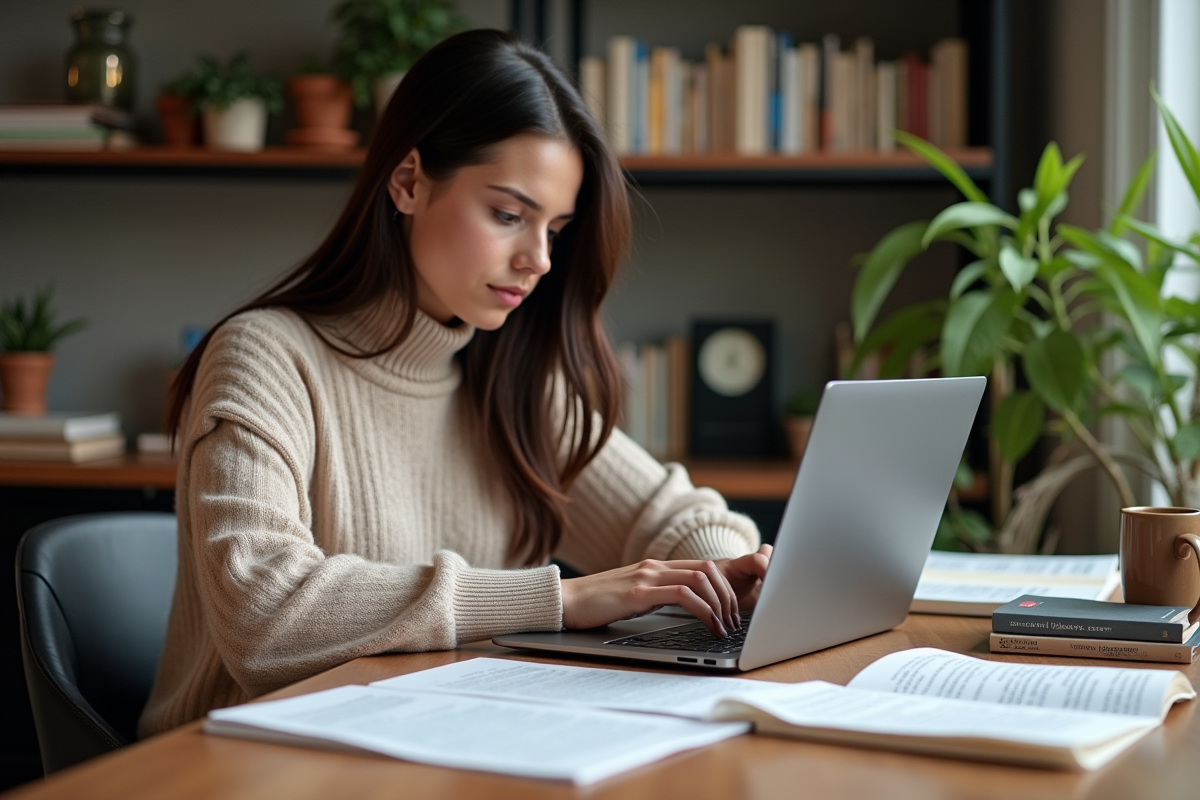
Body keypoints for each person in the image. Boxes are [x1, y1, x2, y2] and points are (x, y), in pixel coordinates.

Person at [139, 29, 770, 737]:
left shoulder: (510, 376)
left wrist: (734, 573)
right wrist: (559, 600)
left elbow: (670, 516)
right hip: (242, 762)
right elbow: (264, 617)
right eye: (507, 215)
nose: (537, 260)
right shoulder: (265, 357)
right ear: (408, 182)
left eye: (555, 230)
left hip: (439, 742)